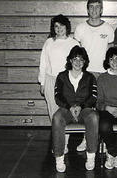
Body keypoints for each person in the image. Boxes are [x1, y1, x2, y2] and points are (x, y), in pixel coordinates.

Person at [74, 0, 114, 152]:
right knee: (87, 108)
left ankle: (102, 140)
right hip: (86, 74)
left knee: (102, 109)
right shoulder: (80, 29)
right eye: (91, 7)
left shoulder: (108, 29)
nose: (94, 10)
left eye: (98, 7)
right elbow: (76, 53)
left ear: (102, 9)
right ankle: (86, 138)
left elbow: (111, 54)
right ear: (87, 9)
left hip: (103, 74)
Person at [52, 46, 98, 172]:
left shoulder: (90, 77)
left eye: (81, 60)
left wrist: (81, 106)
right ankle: (59, 158)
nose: (78, 62)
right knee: (56, 118)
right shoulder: (61, 76)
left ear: (85, 62)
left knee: (93, 117)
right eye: (75, 59)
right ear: (70, 61)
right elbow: (57, 96)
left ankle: (91, 157)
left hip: (85, 109)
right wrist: (69, 107)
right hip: (66, 109)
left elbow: (93, 96)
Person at [38, 14, 79, 154]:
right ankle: (58, 141)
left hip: (66, 81)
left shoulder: (73, 43)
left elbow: (77, 65)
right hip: (50, 80)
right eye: (56, 26)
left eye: (61, 26)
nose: (59, 29)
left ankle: (64, 143)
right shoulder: (48, 42)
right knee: (53, 112)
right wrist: (42, 82)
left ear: (67, 27)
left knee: (64, 112)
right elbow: (43, 64)